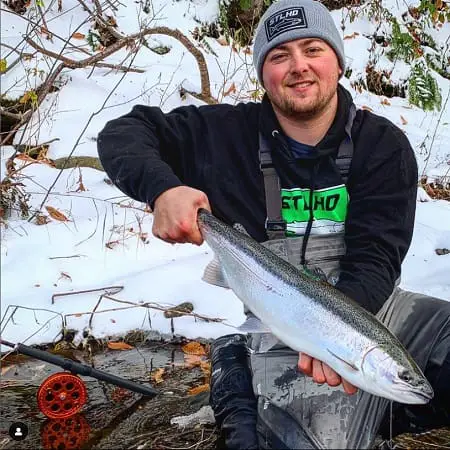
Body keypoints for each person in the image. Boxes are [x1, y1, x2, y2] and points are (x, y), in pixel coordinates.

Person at [97, 0, 450, 447]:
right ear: (263, 74)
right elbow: (124, 133)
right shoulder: (225, 134)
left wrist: (333, 338)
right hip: (273, 328)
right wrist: (163, 190)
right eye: (279, 56)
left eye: (312, 49)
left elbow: (377, 258)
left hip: (373, 310)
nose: (298, 66)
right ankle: (238, 364)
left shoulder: (384, 147)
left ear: (338, 63)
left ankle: (376, 417)